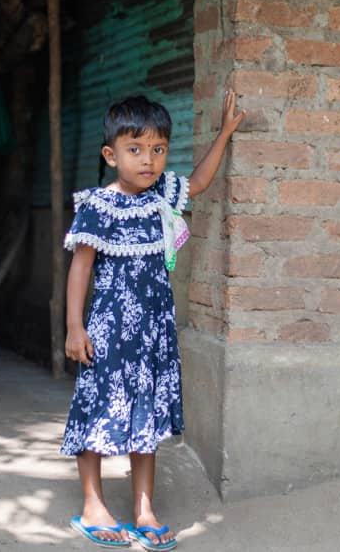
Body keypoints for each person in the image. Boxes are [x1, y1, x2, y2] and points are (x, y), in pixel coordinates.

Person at [63, 91, 245, 550]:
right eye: (135, 149)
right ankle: (92, 505)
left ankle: (144, 507)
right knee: (98, 412)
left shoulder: (164, 192)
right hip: (107, 332)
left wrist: (224, 133)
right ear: (112, 154)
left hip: (153, 333)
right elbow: (81, 267)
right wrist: (74, 327)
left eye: (158, 149)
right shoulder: (98, 205)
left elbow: (200, 182)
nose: (148, 160)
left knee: (145, 418)